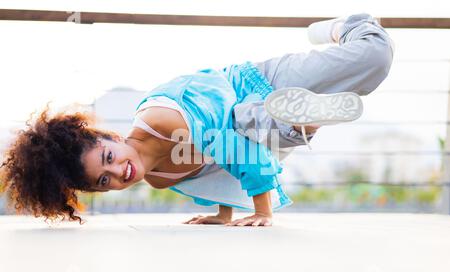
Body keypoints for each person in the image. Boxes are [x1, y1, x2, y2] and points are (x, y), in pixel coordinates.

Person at [0, 13, 393, 226]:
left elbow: (237, 154)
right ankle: (302, 121)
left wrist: (262, 213)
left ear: (111, 136)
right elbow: (213, 173)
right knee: (248, 132)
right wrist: (222, 214)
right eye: (105, 181)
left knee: (374, 58)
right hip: (258, 125)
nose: (120, 173)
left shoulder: (164, 123)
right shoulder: (155, 176)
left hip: (259, 83)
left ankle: (347, 26)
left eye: (108, 159)